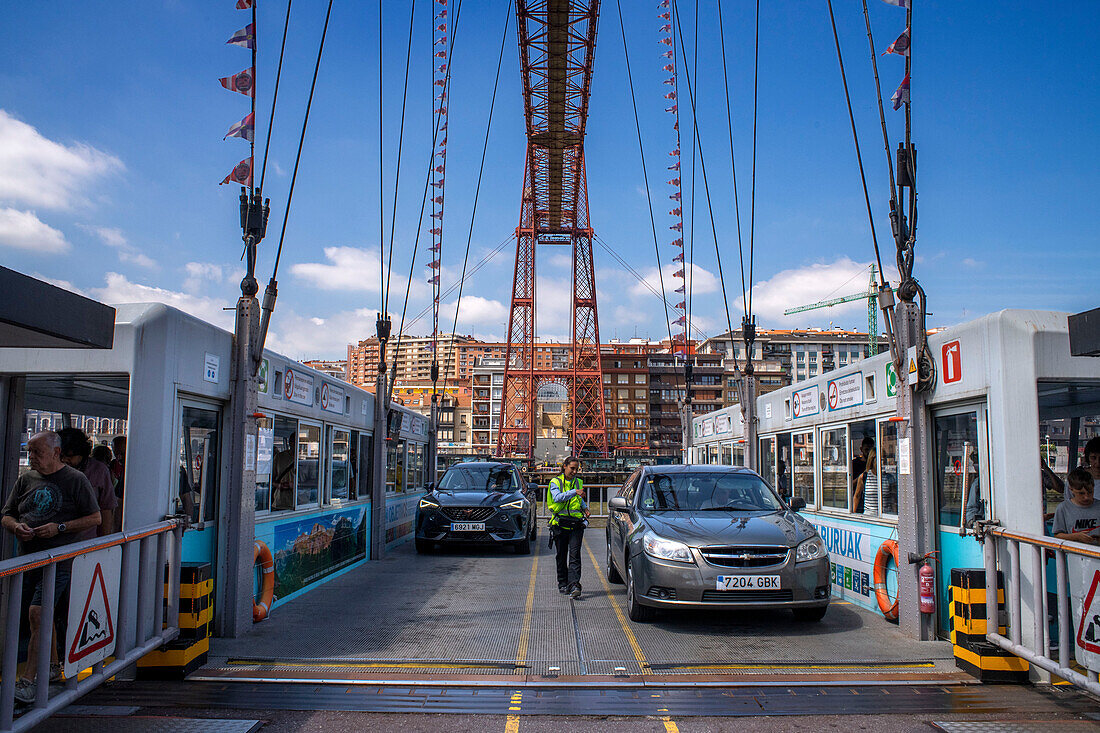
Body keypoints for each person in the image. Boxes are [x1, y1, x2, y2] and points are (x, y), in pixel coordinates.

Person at [1, 432, 100, 704]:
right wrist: (16, 527)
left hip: (58, 560)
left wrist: (60, 528)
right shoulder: (26, 479)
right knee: (43, 616)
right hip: (27, 559)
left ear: (56, 453)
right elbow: (7, 514)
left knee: (37, 613)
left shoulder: (75, 480)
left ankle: (28, 681)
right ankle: (54, 667)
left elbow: (95, 516)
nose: (31, 458)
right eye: (30, 452)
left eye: (37, 453)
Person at [58, 428, 116, 538]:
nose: (64, 460)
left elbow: (106, 508)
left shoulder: (99, 471)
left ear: (82, 453)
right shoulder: (51, 470)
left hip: (86, 540)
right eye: (61, 456)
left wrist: (105, 541)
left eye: (70, 456)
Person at [547, 456, 589, 599]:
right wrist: (574, 492)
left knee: (575, 555)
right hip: (560, 523)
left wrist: (585, 508)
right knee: (561, 555)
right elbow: (557, 497)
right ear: (564, 466)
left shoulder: (578, 482)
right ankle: (563, 583)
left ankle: (574, 585)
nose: (574, 471)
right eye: (572, 468)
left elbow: (579, 499)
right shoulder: (555, 482)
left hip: (576, 523)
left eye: (577, 469)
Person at [1051, 468, 1100, 545]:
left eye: (1090, 492)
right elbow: (1058, 535)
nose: (1086, 497)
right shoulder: (1063, 508)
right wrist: (1076, 537)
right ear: (1071, 489)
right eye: (1081, 493)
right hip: (1075, 554)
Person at [851, 437, 874, 513]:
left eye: (870, 450)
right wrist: (863, 476)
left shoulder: (874, 464)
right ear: (861, 449)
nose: (868, 452)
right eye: (866, 449)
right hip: (859, 502)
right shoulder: (855, 463)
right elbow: (850, 484)